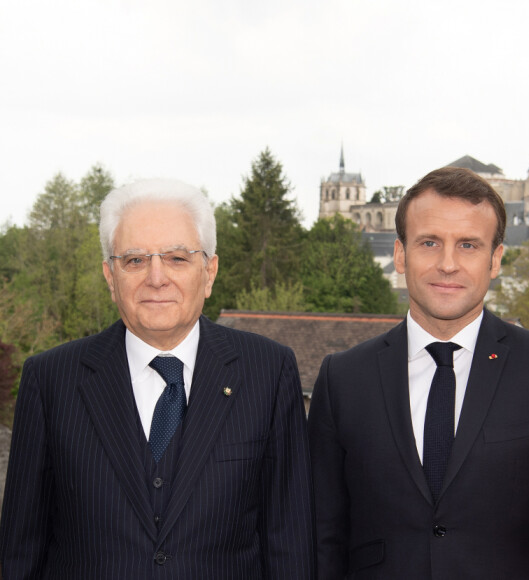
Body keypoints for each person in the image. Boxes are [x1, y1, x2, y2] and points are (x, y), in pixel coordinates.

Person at [0, 178, 316, 579]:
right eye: (134, 260)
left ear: (209, 271)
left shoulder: (268, 372)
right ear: (110, 277)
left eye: (177, 258)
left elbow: (289, 543)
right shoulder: (49, 381)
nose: (156, 277)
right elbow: (20, 552)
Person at [308, 166, 529, 579]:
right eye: (430, 242)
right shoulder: (343, 379)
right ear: (401, 254)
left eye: (469, 245)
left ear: (496, 259)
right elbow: (322, 538)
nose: (447, 264)